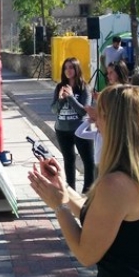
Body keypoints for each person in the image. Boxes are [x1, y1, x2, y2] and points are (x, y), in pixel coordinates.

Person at [30, 85, 139, 277]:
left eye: (100, 115)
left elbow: (86, 254)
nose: (94, 122)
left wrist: (60, 206)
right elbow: (104, 221)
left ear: (116, 124)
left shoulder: (116, 184)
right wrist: (64, 189)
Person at [51, 57, 94, 193]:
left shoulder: (84, 88)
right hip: (62, 130)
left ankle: (87, 192)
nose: (68, 70)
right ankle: (70, 191)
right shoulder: (59, 87)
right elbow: (54, 109)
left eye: (71, 67)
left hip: (80, 130)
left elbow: (82, 111)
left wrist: (70, 96)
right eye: (65, 68)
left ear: (76, 69)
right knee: (69, 161)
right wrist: (61, 100)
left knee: (88, 161)